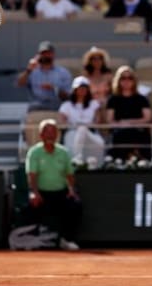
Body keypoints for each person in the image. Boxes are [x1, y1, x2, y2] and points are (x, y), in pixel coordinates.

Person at [25, 119, 81, 251]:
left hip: (61, 192)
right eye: (47, 132)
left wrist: (71, 190)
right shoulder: (34, 152)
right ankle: (34, 240)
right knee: (31, 207)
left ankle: (67, 239)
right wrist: (35, 193)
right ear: (41, 135)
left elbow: (69, 174)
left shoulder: (64, 152)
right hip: (41, 192)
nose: (50, 135)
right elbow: (32, 175)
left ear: (57, 135)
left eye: (53, 132)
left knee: (75, 205)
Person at [105, 66, 152, 159]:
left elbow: (147, 118)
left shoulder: (142, 99)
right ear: (118, 80)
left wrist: (130, 122)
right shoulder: (113, 99)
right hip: (120, 131)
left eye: (130, 78)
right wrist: (120, 125)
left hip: (138, 131)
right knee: (119, 136)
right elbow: (109, 120)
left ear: (134, 81)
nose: (126, 81)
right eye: (123, 78)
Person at [58, 76, 105, 161]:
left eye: (84, 88)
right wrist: (76, 126)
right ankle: (76, 160)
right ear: (74, 90)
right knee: (79, 131)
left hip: (90, 133)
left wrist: (85, 126)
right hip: (72, 133)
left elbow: (98, 121)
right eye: (79, 88)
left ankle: (78, 159)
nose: (82, 90)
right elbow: (62, 122)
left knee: (84, 130)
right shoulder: (66, 105)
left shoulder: (94, 104)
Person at [17, 41, 72, 111]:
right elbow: (19, 83)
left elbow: (68, 96)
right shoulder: (32, 71)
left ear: (53, 54)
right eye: (43, 53)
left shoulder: (63, 72)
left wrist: (54, 88)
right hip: (37, 105)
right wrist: (29, 70)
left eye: (48, 53)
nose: (46, 55)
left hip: (57, 105)